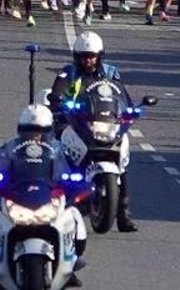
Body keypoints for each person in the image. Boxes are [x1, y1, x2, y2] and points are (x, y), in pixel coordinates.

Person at [0, 104, 90, 285]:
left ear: (48, 130)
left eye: (39, 131)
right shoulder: (9, 148)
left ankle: (70, 261)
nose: (34, 135)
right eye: (28, 130)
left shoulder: (58, 149)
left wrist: (74, 181)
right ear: (20, 130)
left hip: (48, 196)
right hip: (17, 197)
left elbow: (71, 170)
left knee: (74, 216)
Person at [48, 31, 138, 233]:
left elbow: (123, 97)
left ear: (100, 55)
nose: (88, 60)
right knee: (56, 152)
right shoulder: (68, 73)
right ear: (77, 56)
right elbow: (57, 94)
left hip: (104, 123)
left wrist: (130, 111)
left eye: (92, 56)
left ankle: (123, 215)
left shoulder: (110, 73)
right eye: (84, 56)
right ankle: (56, 201)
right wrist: (60, 104)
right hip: (75, 122)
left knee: (121, 163)